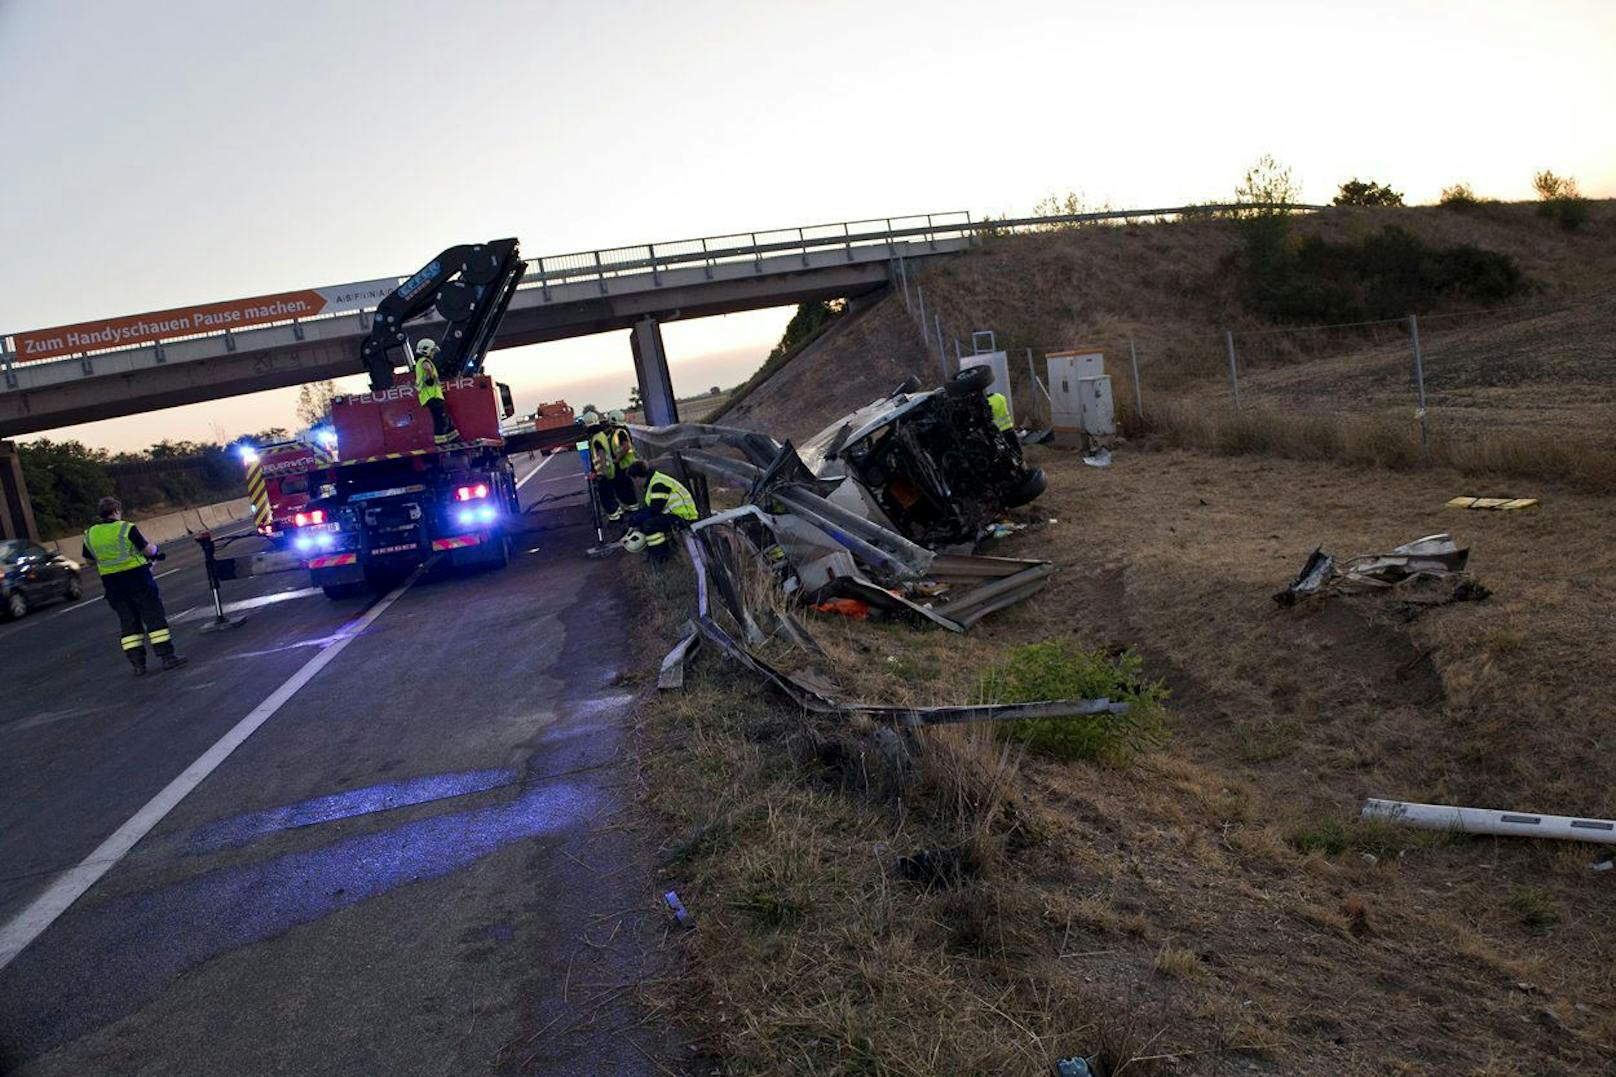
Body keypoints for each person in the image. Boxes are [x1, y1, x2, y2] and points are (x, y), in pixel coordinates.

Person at [81, 497, 187, 675]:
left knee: (128, 622)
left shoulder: (90, 534)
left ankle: (138, 665)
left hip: (112, 584)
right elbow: (147, 549)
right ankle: (167, 657)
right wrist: (155, 552)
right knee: (153, 616)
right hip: (137, 579)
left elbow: (89, 560)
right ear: (116, 510)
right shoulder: (126, 528)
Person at [621, 465, 699, 562]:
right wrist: (635, 517)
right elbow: (649, 508)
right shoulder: (653, 482)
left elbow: (655, 509)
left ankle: (662, 556)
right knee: (645, 522)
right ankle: (654, 553)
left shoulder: (658, 484)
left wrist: (636, 519)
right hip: (674, 514)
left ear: (637, 478)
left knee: (650, 524)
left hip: (684, 516)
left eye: (633, 480)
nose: (634, 484)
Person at [414, 339, 461, 445]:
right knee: (441, 420)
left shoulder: (420, 362)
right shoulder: (424, 361)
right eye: (432, 351)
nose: (433, 354)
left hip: (432, 396)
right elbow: (427, 369)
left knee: (445, 419)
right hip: (432, 396)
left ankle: (455, 439)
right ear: (426, 350)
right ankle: (441, 443)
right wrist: (430, 377)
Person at [582, 410, 624, 521]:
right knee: (612, 496)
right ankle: (619, 515)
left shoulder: (595, 439)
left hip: (604, 474)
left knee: (606, 498)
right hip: (610, 471)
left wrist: (599, 474)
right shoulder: (601, 435)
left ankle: (615, 520)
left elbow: (601, 454)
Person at [606, 409, 640, 512]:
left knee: (626, 489)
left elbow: (625, 446)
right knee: (623, 488)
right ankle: (630, 508)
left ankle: (633, 509)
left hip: (625, 465)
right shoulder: (620, 431)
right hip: (625, 464)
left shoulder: (620, 432)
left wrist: (617, 459)